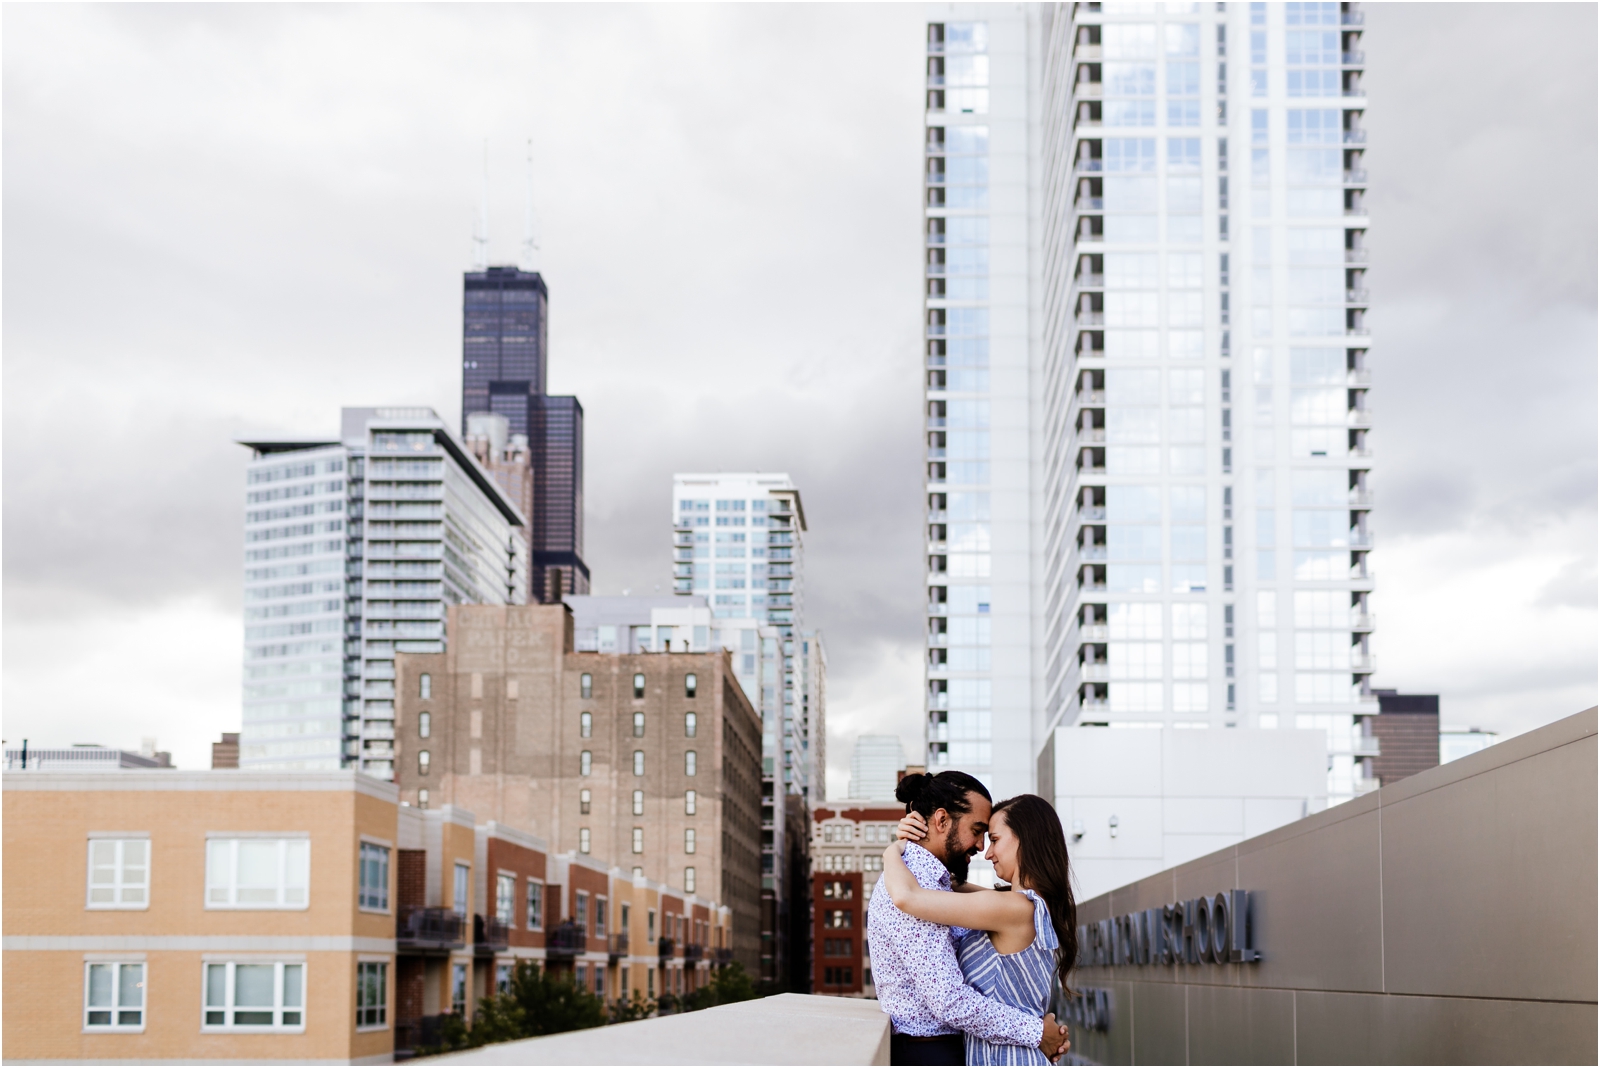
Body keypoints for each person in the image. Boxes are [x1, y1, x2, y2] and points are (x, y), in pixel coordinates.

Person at [865, 770, 1070, 1066]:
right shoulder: (920, 882)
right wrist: (895, 850)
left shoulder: (998, 903)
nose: (982, 849)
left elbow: (921, 895)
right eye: (978, 831)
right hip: (930, 1052)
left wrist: (895, 851)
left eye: (993, 838)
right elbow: (949, 1000)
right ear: (941, 820)